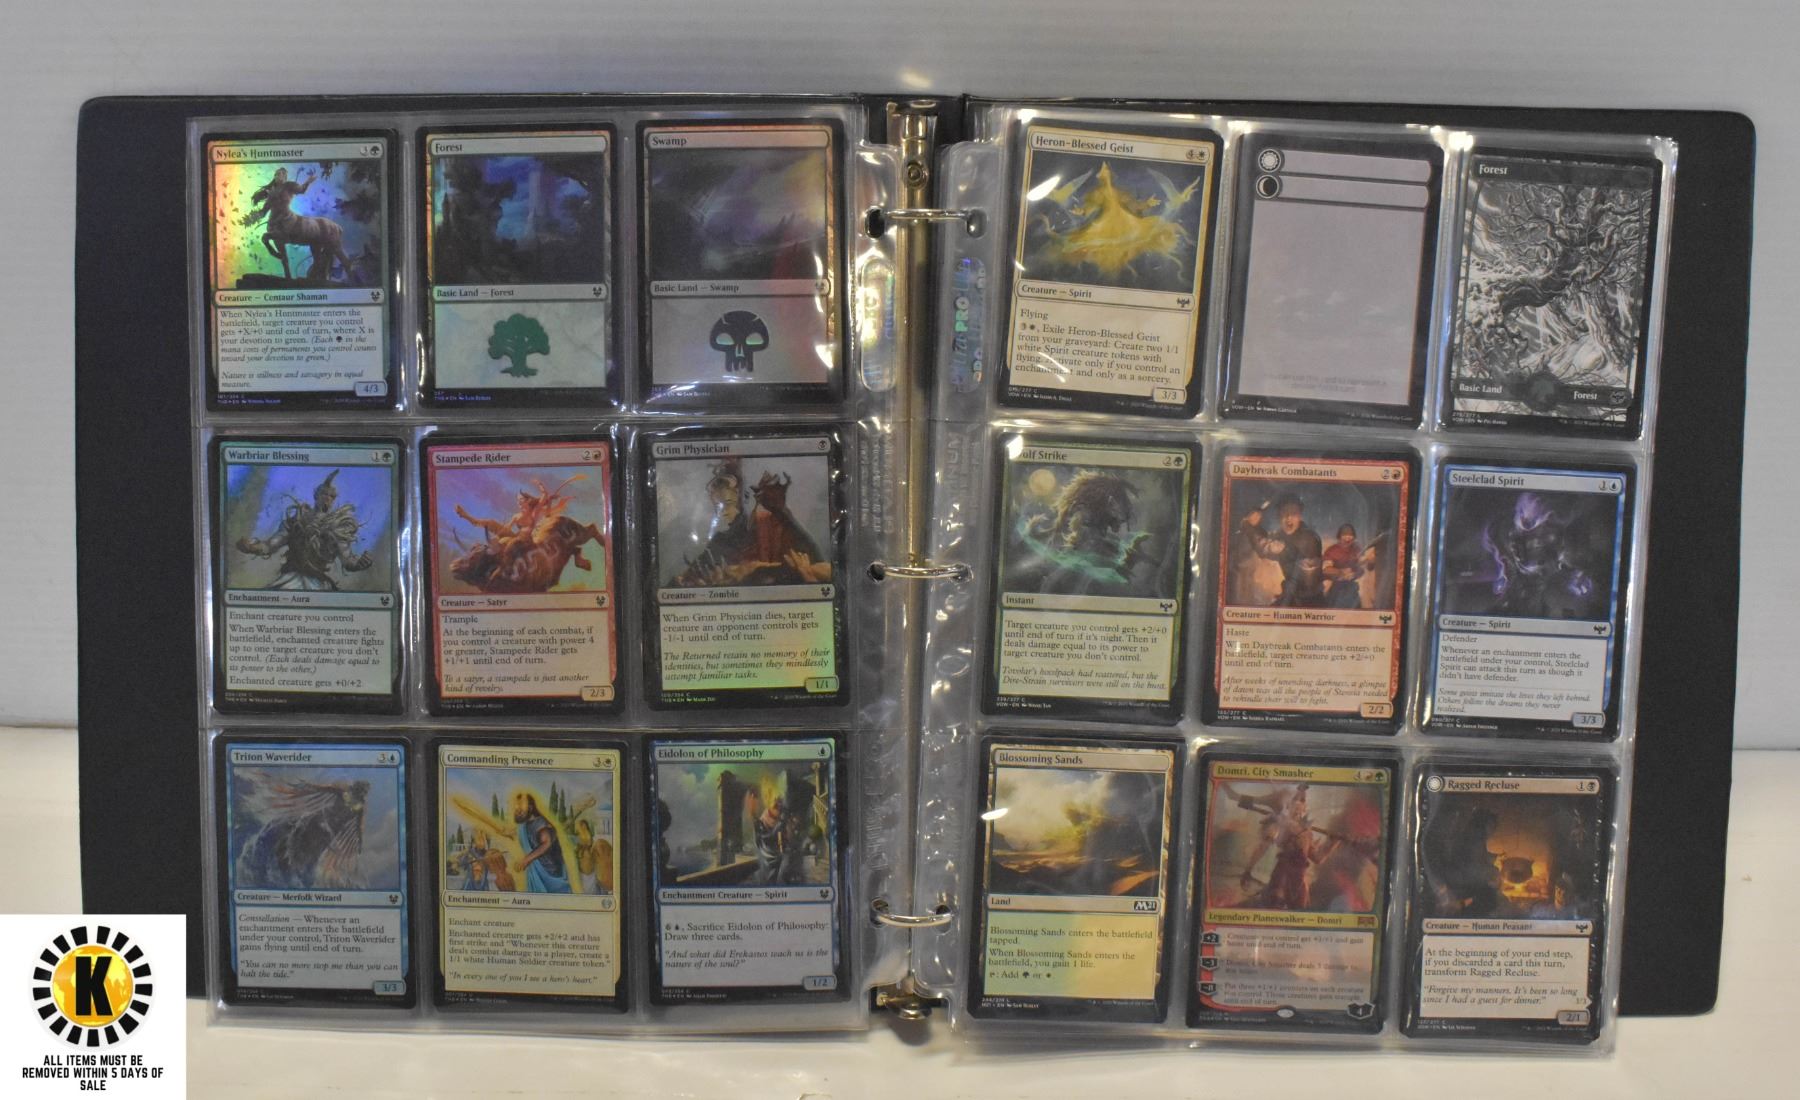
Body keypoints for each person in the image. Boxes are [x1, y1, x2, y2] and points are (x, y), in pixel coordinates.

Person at [1240, 495, 1325, 607]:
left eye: (1293, 513)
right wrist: (1254, 526)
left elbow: (1266, 547)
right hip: (1292, 596)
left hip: (1310, 601)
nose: (1288, 517)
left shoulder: (1309, 537)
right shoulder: (1281, 535)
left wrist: (1248, 526)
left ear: (1300, 516)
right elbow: (1265, 542)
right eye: (1284, 513)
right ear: (1279, 516)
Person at [511, 793, 571, 893]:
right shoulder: (525, 825)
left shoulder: (541, 823)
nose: (517, 811)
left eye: (521, 808)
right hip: (538, 873)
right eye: (516, 808)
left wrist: (526, 860)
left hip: (550, 873)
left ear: (530, 808)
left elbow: (546, 843)